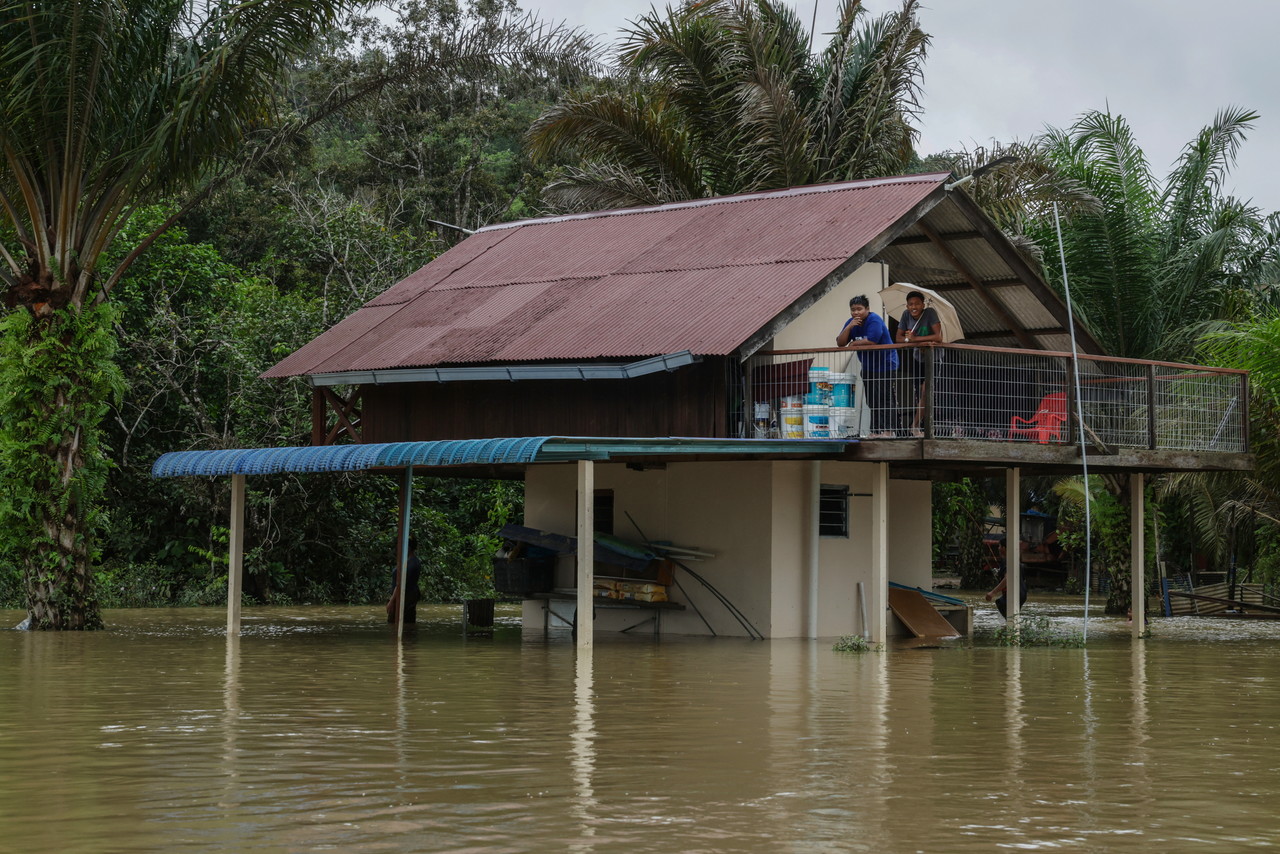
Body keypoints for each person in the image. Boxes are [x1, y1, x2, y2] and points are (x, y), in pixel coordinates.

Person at [836, 295, 899, 437]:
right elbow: (840, 342)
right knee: (872, 399)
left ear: (867, 309)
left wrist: (853, 344)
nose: (856, 312)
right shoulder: (852, 322)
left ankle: (888, 431)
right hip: (868, 366)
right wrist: (849, 327)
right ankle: (875, 431)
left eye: (859, 309)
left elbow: (872, 340)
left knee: (885, 397)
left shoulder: (874, 319)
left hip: (885, 364)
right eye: (853, 310)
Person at [893, 290, 943, 437]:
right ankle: (917, 427)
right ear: (907, 306)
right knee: (919, 394)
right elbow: (898, 338)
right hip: (917, 358)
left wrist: (915, 339)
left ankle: (915, 426)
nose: (913, 307)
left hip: (933, 358)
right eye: (910, 304)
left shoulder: (930, 313)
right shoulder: (905, 315)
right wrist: (912, 340)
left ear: (923, 304)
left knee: (925, 392)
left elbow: (938, 336)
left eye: (917, 304)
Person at [386, 536, 423, 624]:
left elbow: (401, 583)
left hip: (406, 597)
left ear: (408, 547)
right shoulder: (409, 561)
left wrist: (391, 601)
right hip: (406, 596)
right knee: (404, 622)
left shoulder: (412, 563)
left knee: (400, 622)